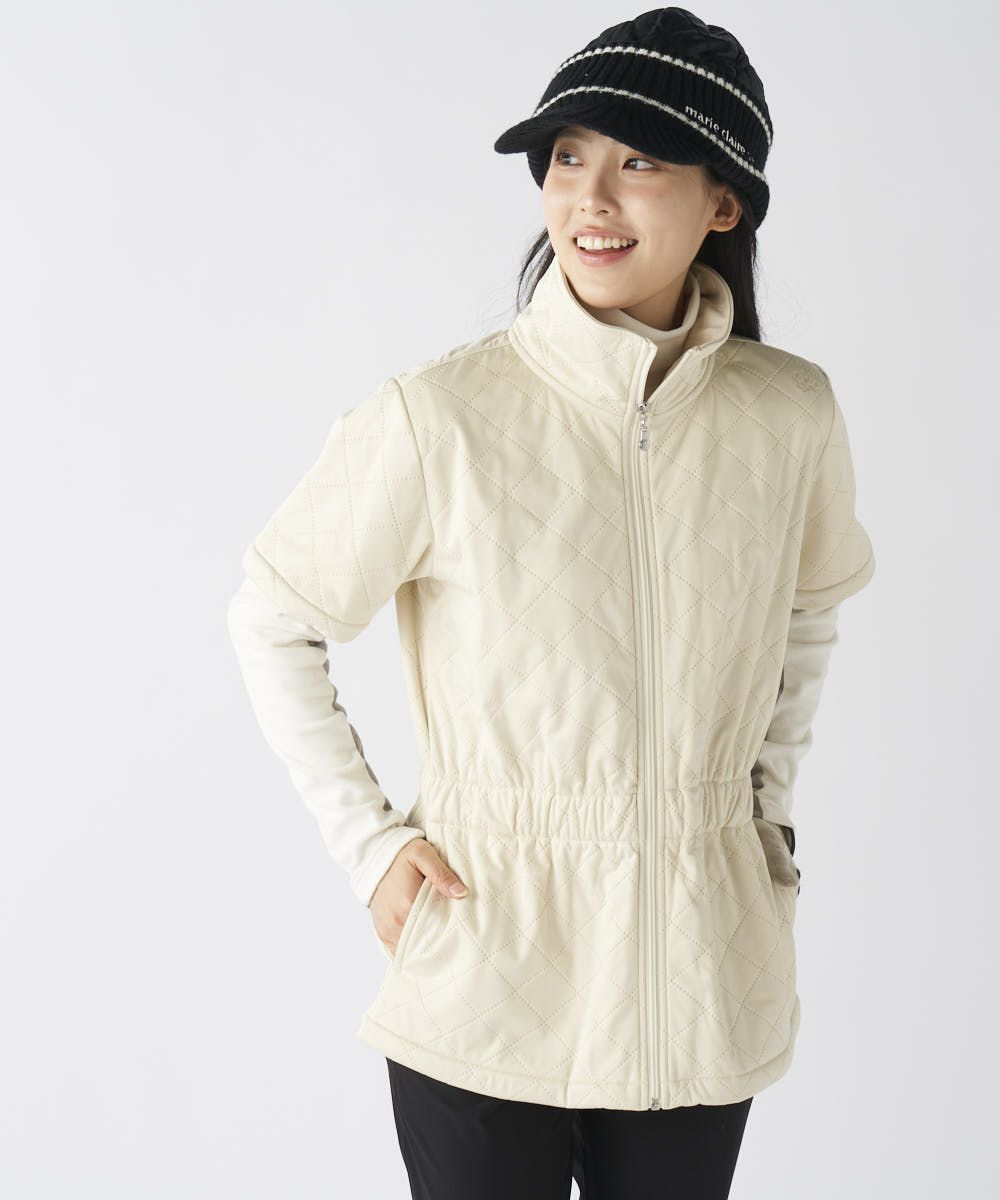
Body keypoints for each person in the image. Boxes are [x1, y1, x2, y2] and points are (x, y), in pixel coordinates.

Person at [227, 7, 876, 1197]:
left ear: (723, 202)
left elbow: (805, 616)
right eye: (567, 157)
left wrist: (764, 821)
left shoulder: (789, 414)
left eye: (640, 162)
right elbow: (274, 616)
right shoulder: (442, 417)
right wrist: (372, 846)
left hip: (700, 967)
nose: (591, 197)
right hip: (488, 960)